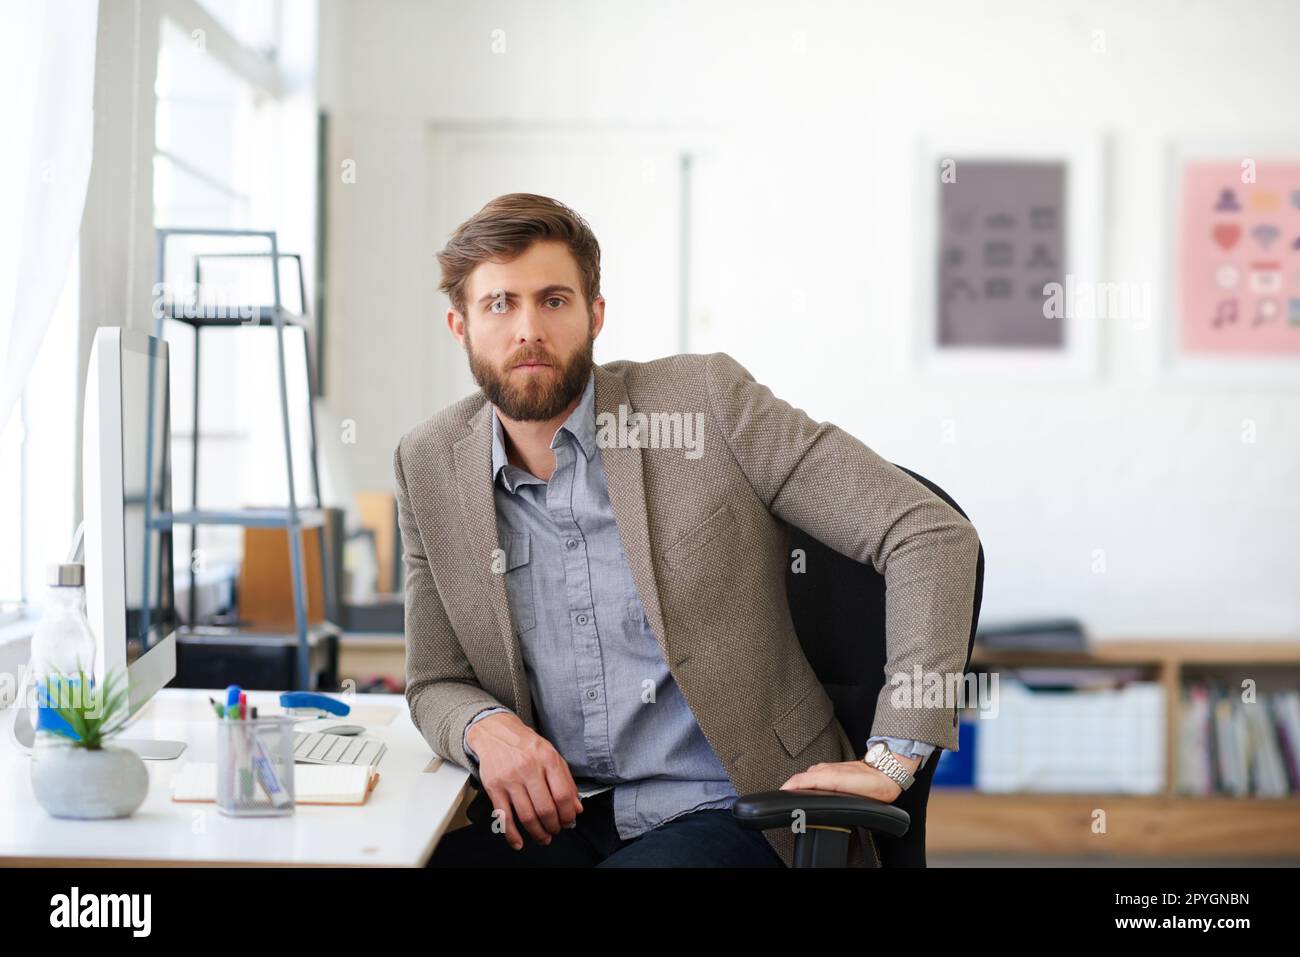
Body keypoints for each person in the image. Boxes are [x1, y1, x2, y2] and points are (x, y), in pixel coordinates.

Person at [395, 193, 981, 867]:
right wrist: (485, 727)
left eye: (554, 300)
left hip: (739, 806)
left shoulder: (705, 403)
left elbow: (929, 533)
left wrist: (896, 753)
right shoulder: (427, 463)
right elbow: (434, 677)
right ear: (459, 325)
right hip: (562, 814)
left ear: (595, 316)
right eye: (500, 303)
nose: (528, 328)